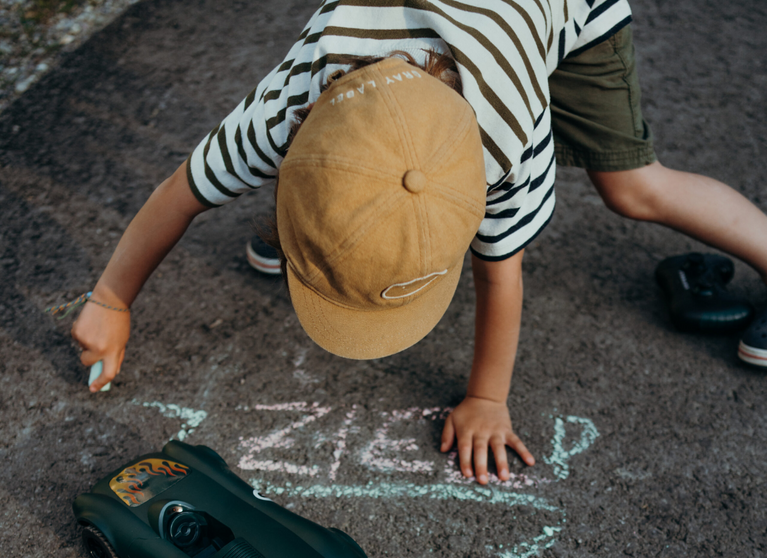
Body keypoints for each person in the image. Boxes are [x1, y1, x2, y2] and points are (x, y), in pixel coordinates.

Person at [72, 0, 767, 485]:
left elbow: (500, 271)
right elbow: (180, 190)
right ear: (296, 140)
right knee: (331, 191)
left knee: (632, 188)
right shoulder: (293, 97)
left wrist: (486, 399)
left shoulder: (500, 149)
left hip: (564, 15)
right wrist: (109, 297)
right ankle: (309, 227)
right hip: (443, 29)